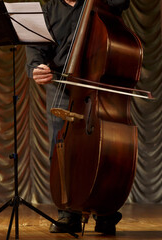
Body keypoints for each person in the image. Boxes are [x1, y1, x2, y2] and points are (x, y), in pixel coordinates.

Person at [26, 0, 130, 235]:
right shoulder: (48, 10)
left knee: (106, 150)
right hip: (62, 86)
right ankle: (68, 212)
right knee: (62, 148)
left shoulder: (104, 3)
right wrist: (36, 67)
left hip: (99, 85)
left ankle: (105, 211)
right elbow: (36, 49)